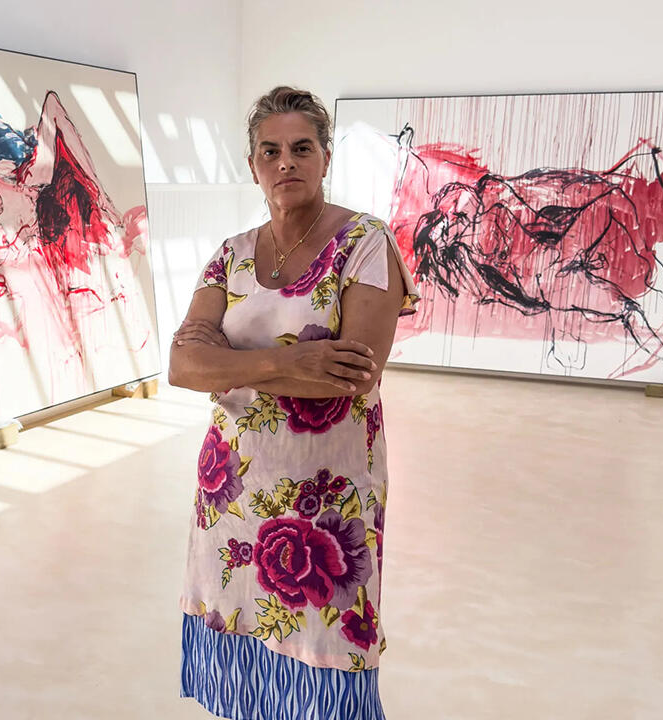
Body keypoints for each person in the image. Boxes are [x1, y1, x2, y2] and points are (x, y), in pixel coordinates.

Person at [169, 86, 418, 720]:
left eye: (302, 148)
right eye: (270, 151)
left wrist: (231, 363)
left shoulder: (364, 242)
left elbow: (352, 376)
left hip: (327, 501)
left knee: (327, 642)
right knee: (241, 630)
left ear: (325, 157)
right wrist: (289, 362)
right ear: (252, 164)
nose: (286, 162)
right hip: (232, 494)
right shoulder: (230, 254)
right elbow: (182, 365)